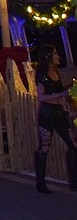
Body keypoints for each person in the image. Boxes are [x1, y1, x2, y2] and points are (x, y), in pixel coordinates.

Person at [34, 43, 77, 193]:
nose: (58, 56)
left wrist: (69, 87)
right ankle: (41, 183)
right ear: (48, 57)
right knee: (44, 146)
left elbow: (59, 91)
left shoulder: (56, 73)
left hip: (59, 112)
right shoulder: (42, 74)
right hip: (47, 113)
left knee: (73, 143)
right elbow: (41, 96)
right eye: (55, 54)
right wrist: (60, 95)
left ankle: (74, 181)